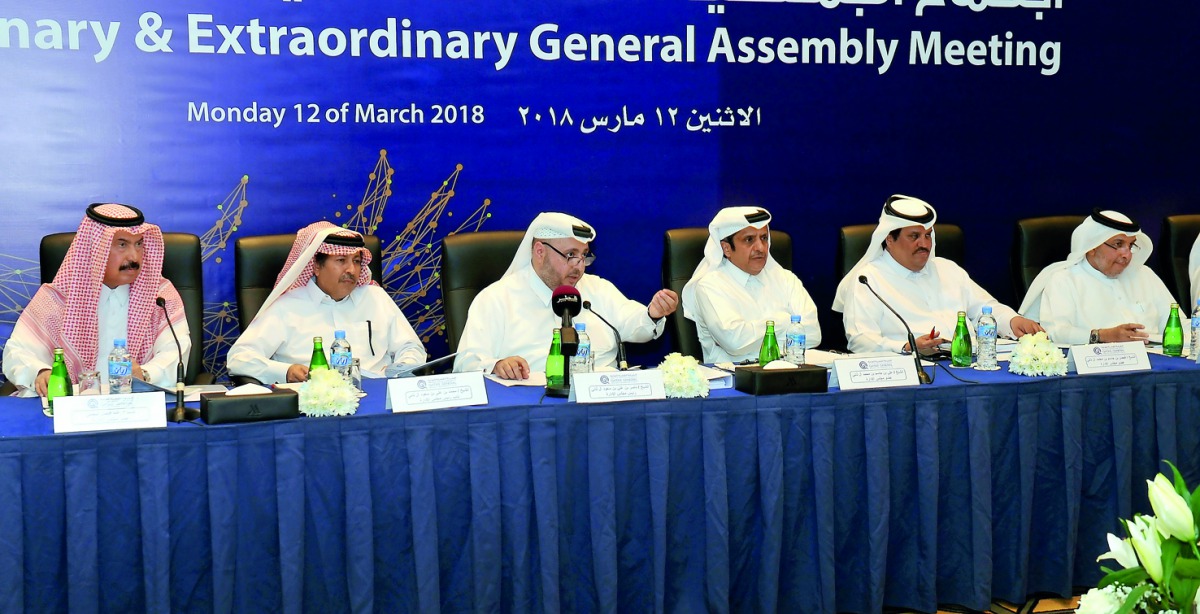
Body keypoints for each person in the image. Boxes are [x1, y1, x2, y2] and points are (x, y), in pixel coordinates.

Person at [453, 212, 678, 379]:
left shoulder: (597, 289)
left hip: (601, 405)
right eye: (570, 255)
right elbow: (466, 361)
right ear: (540, 252)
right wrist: (497, 365)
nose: (579, 267)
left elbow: (634, 322)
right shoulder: (496, 298)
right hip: (532, 410)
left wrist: (653, 314)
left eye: (584, 256)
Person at [3, 203, 190, 396]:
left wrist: (145, 374)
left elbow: (176, 350)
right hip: (72, 407)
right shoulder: (58, 297)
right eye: (122, 245)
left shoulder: (160, 295)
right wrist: (40, 372)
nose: (134, 257)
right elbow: (17, 351)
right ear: (95, 248)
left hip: (137, 403)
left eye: (139, 244)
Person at [834, 195, 1042, 354]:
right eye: (914, 236)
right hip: (912, 372)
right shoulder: (868, 280)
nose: (924, 244)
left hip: (968, 362)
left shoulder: (947, 269)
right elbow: (860, 340)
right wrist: (908, 347)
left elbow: (985, 308)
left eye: (927, 235)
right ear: (889, 239)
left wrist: (1013, 320)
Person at [227, 221, 426, 383]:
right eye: (341, 261)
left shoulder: (375, 297)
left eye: (356, 261)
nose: (352, 270)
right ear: (316, 266)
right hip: (312, 406)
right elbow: (239, 358)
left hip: (378, 397)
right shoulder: (287, 307)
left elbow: (411, 348)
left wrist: (399, 370)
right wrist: (285, 371)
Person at [681, 206, 821, 363]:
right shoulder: (710, 286)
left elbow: (814, 334)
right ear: (726, 248)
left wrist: (753, 336)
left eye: (764, 238)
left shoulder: (786, 279)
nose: (760, 248)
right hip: (737, 378)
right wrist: (787, 321)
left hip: (790, 374)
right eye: (749, 240)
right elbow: (735, 342)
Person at [1019, 209, 1180, 345]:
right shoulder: (1064, 279)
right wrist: (1104, 336)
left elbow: (1177, 322)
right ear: (1092, 247)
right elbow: (1055, 332)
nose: (1127, 254)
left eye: (1130, 245)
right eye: (1118, 244)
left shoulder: (1145, 275)